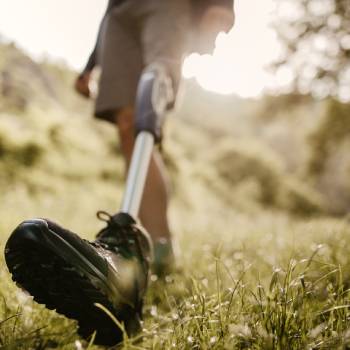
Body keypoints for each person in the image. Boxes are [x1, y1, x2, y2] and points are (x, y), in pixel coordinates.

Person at [5, 0, 234, 346]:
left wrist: (221, 4)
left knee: (154, 88)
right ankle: (135, 263)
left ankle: (149, 248)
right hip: (120, 12)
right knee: (128, 126)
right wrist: (90, 64)